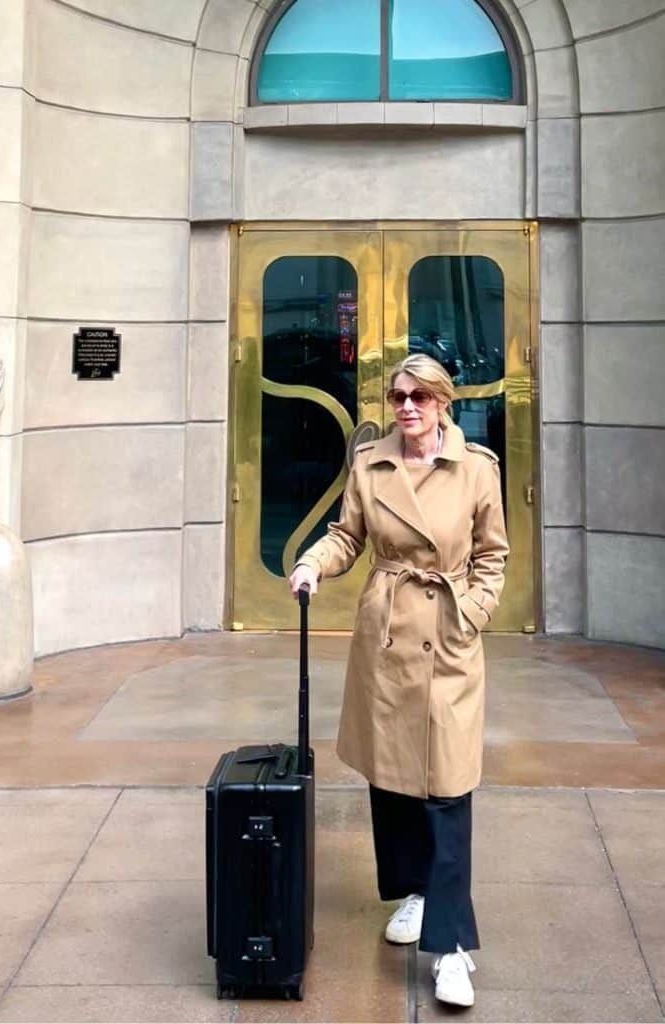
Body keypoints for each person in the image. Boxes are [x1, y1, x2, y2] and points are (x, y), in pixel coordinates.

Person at [288, 353, 508, 1008]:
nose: (407, 406)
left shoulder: (477, 471)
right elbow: (346, 535)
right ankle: (414, 891)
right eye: (398, 396)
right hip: (385, 636)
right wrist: (313, 563)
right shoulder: (370, 465)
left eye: (420, 396)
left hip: (446, 636)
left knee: (446, 785)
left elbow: (493, 557)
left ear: (443, 402)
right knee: (392, 778)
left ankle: (451, 949)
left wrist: (469, 614)